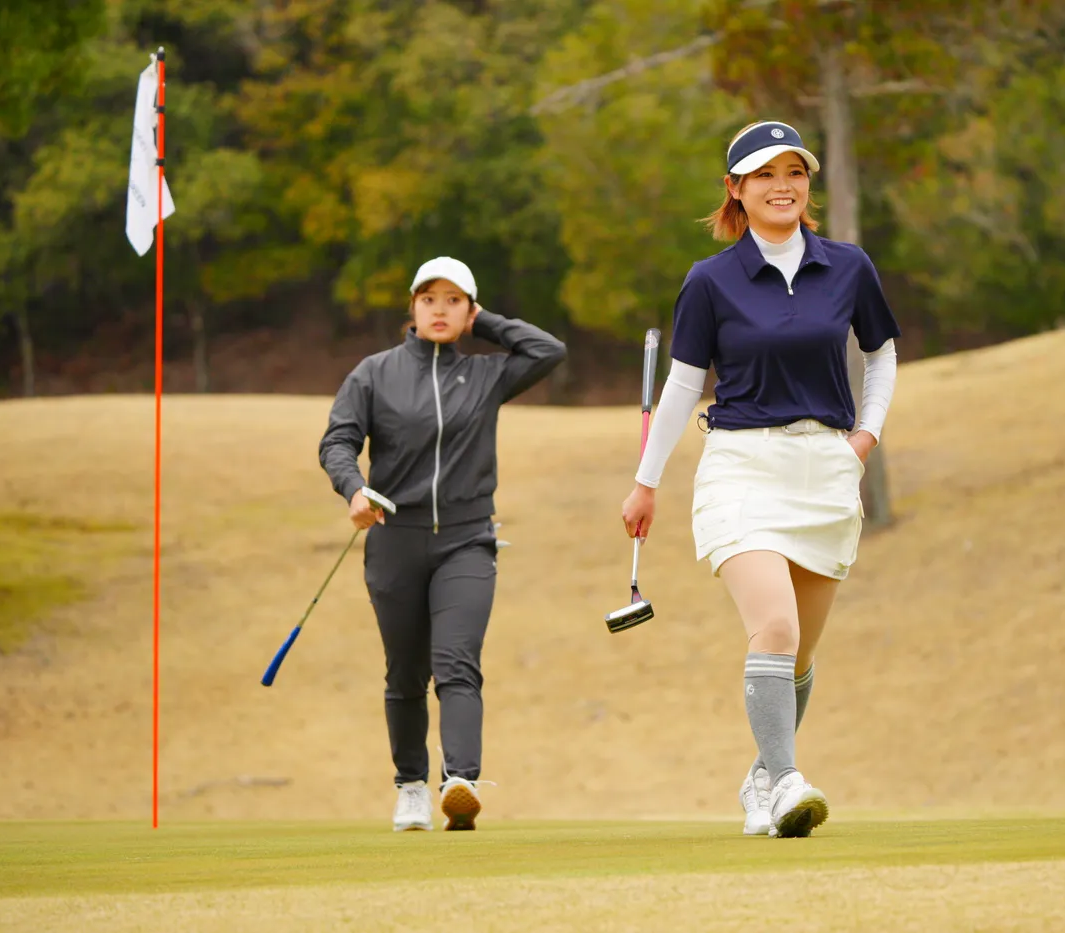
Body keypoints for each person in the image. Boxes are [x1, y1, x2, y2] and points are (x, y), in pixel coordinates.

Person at [620, 120, 900, 838]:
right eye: (765, 174)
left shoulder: (849, 267)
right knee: (773, 626)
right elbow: (683, 386)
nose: (783, 186)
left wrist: (865, 436)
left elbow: (881, 354)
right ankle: (788, 782)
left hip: (826, 470)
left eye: (794, 172)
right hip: (741, 467)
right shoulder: (710, 280)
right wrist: (647, 481)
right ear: (735, 189)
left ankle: (762, 778)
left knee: (798, 653)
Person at [319, 256, 567, 832]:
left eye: (454, 301)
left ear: (469, 311)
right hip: (395, 540)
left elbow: (548, 350)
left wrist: (486, 323)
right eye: (429, 298)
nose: (440, 309)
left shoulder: (485, 376)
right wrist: (354, 489)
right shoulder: (374, 374)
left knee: (456, 662)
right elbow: (338, 441)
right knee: (406, 673)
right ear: (412, 306)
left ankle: (460, 782)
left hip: (467, 540)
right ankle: (410, 787)